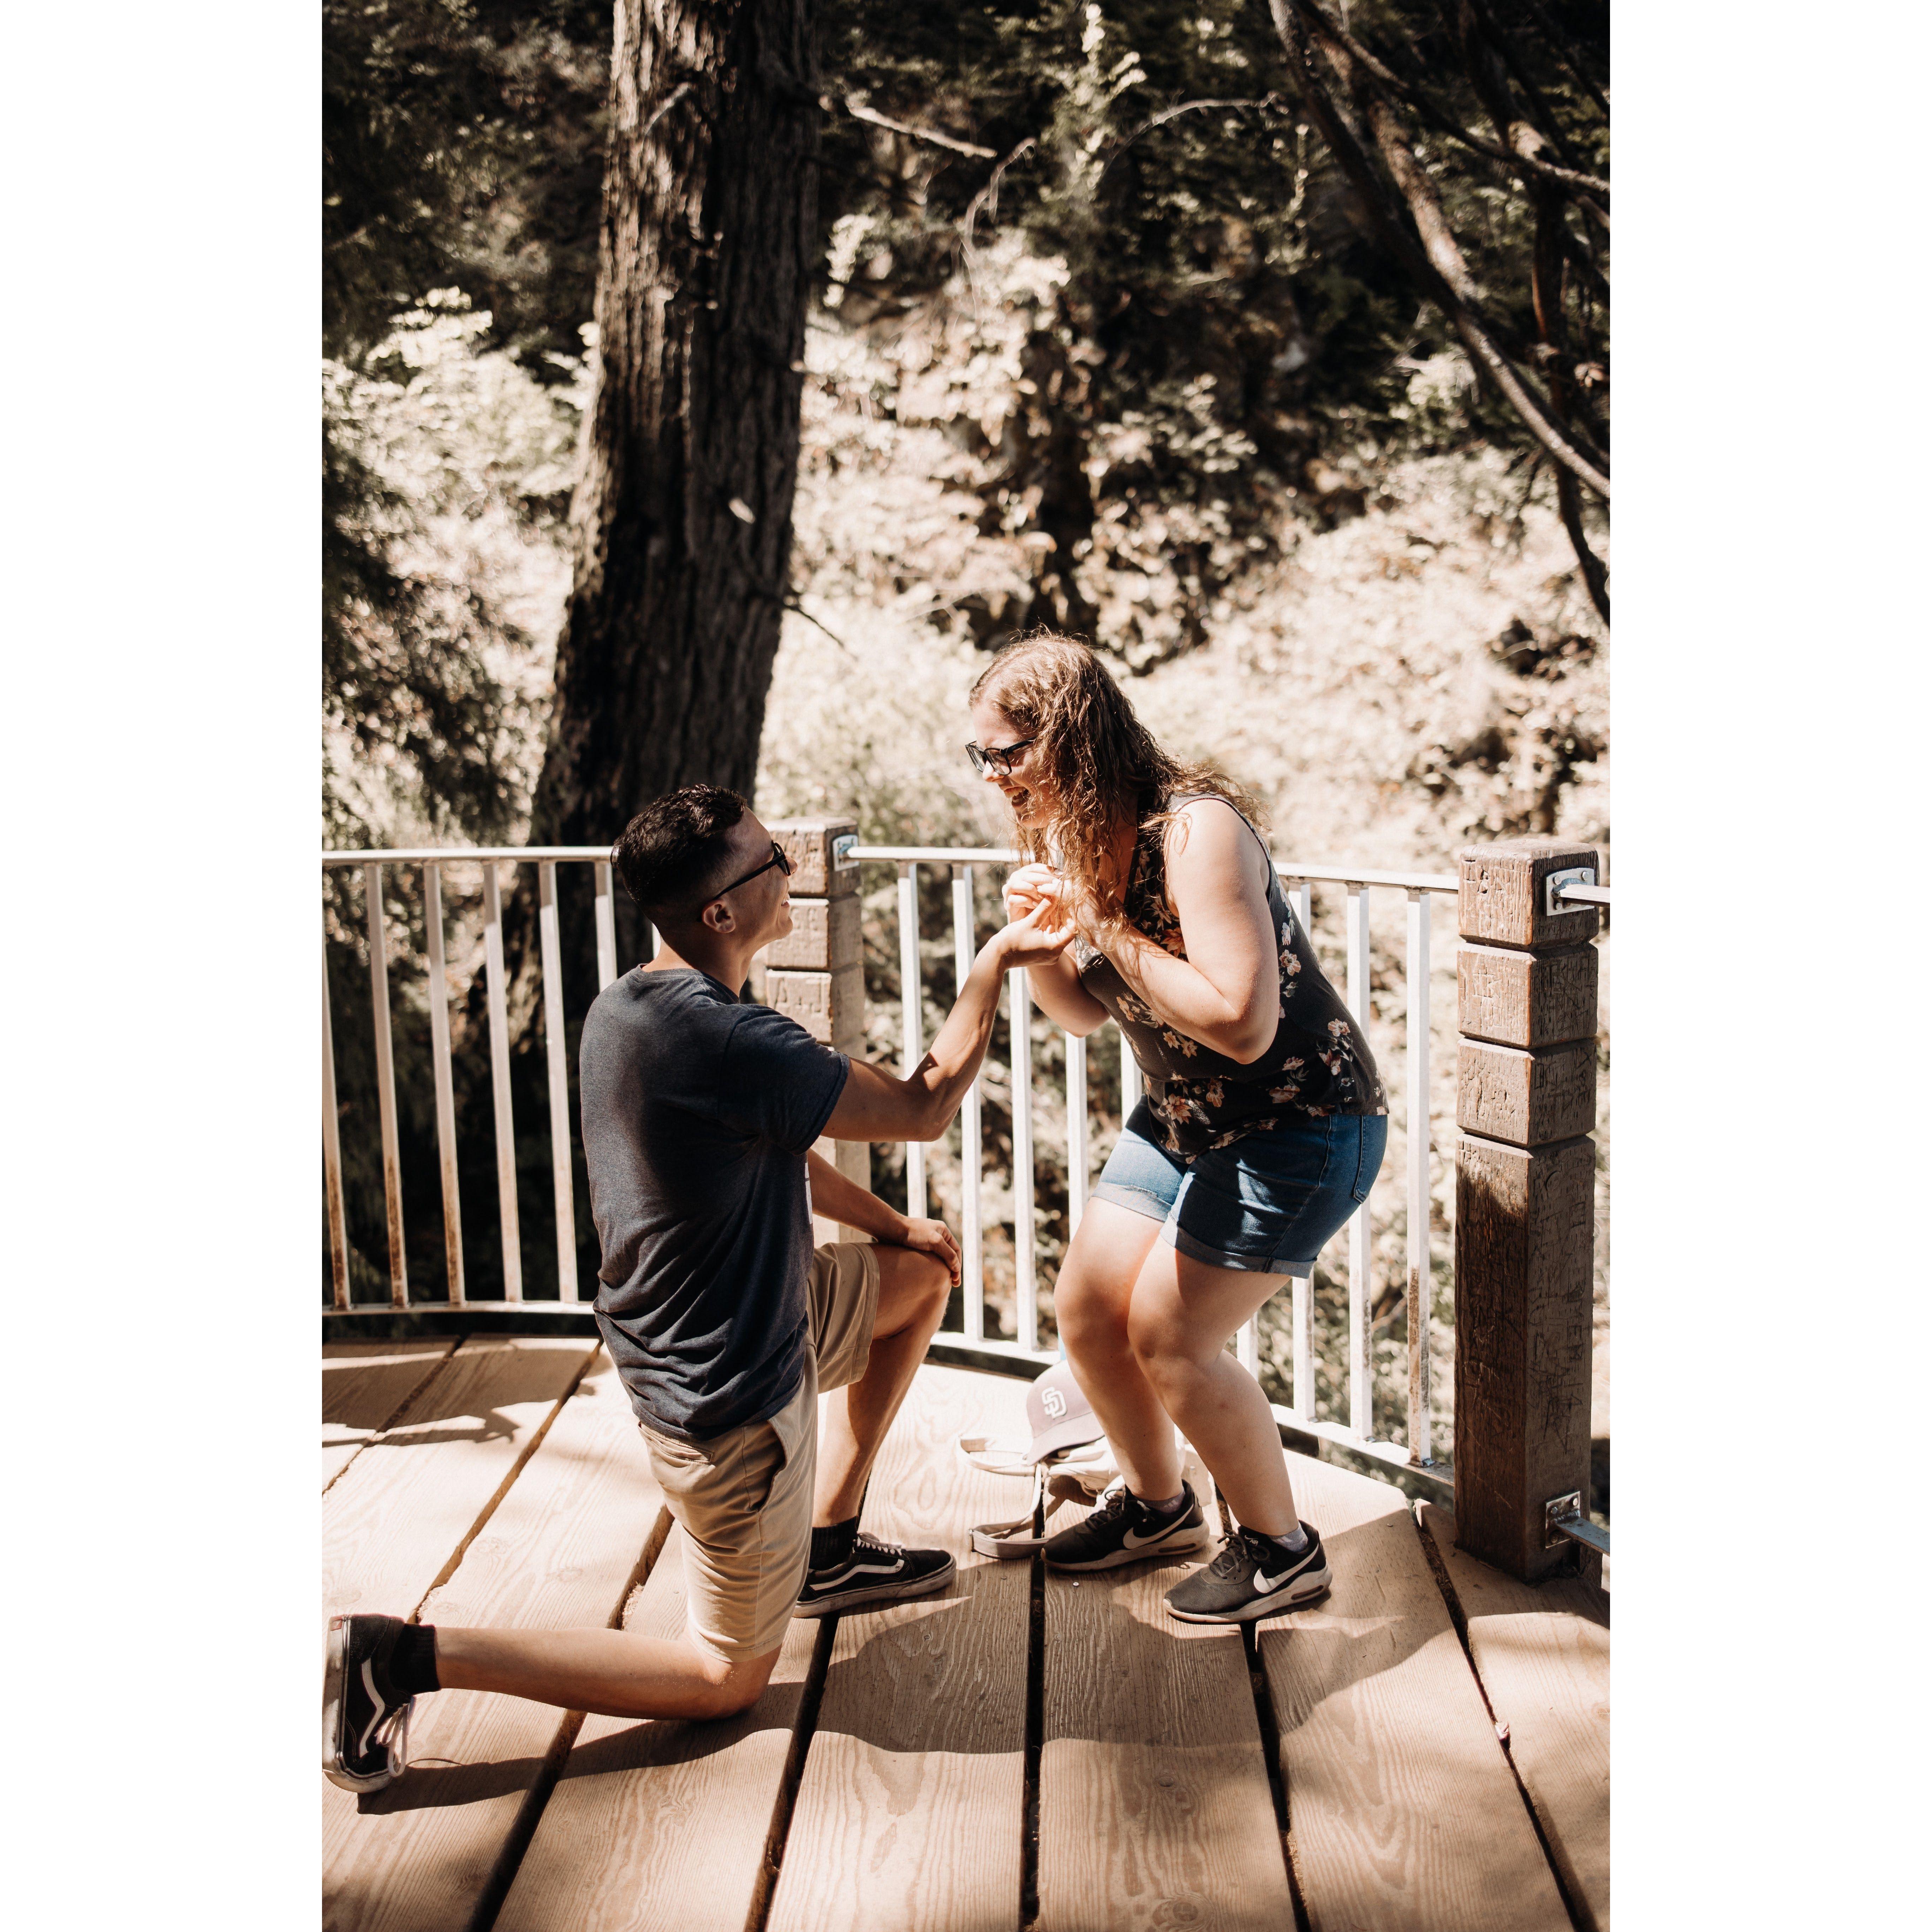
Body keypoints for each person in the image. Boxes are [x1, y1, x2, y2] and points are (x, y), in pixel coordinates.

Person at [325, 784, 1072, 1792]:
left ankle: (829, 1548)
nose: (792, 871)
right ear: (719, 912)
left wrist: (894, 1227)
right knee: (723, 1677)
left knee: (915, 1280)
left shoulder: (637, 1002)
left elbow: (782, 1144)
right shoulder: (732, 1041)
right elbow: (926, 1104)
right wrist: (993, 965)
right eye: (774, 862)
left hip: (754, 1306)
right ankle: (402, 1657)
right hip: (727, 1396)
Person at [965, 634, 1388, 1623]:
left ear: (1068, 738)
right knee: (1089, 1311)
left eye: (1007, 752)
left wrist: (1102, 924)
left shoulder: (1195, 832)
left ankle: (1282, 1551)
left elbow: (1243, 1023)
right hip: (1185, 1117)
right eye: (978, 755)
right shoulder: (1069, 834)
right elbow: (1080, 1013)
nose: (993, 778)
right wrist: (1042, 946)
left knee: (1169, 1334)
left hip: (1300, 1117)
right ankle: (1160, 1511)